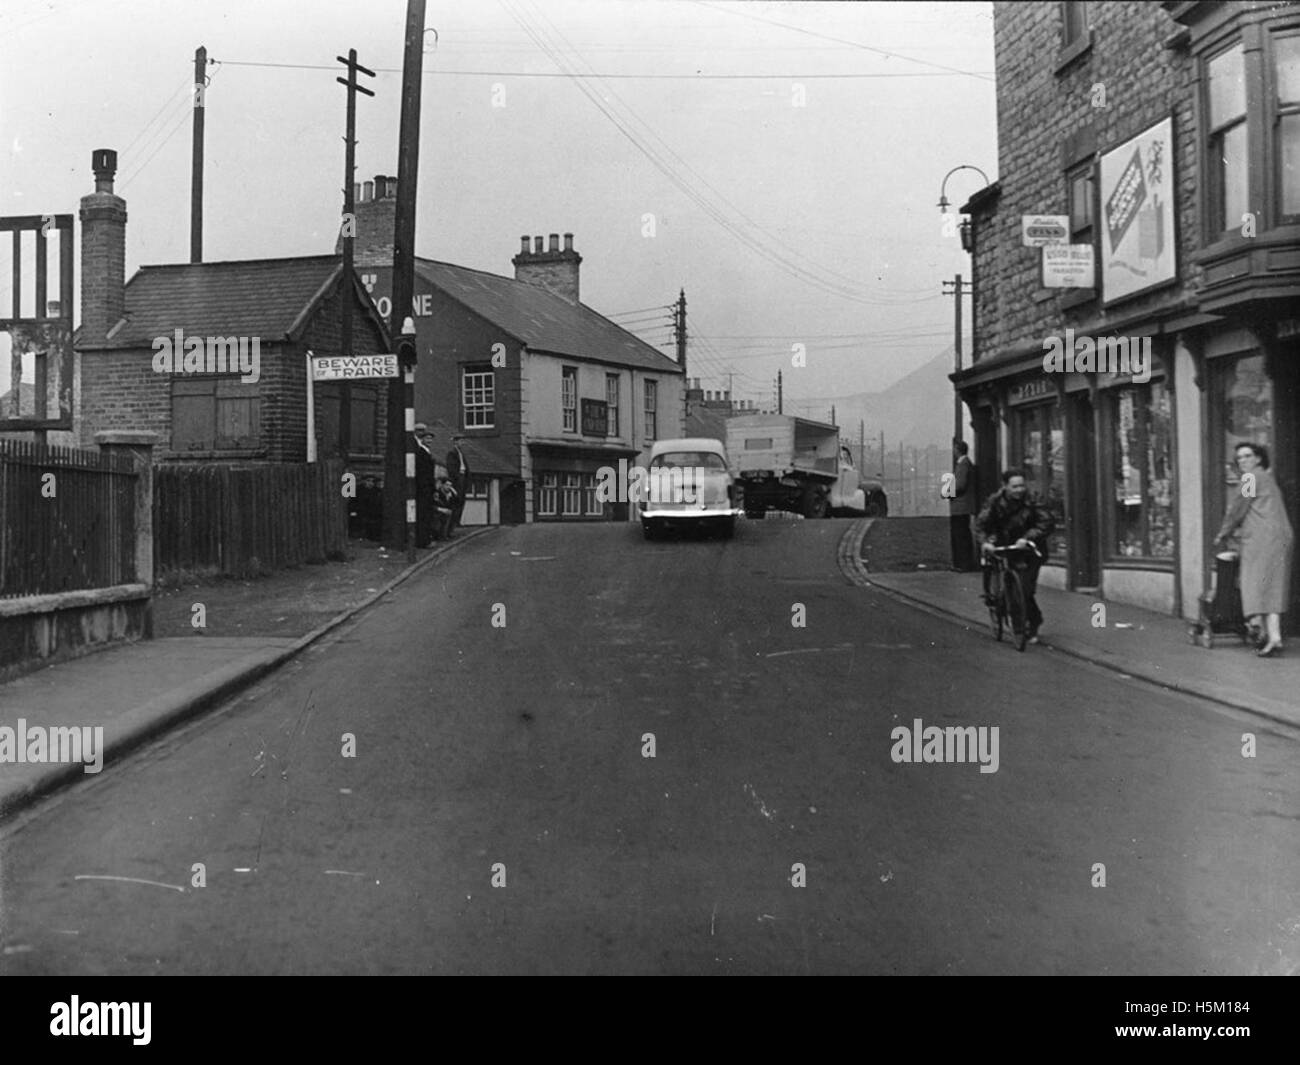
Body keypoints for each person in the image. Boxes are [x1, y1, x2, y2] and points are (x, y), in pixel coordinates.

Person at [1213, 442, 1294, 657]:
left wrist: (1223, 532)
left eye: (1247, 456)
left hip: (1262, 539)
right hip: (1280, 537)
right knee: (1272, 586)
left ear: (1258, 458)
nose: (1242, 461)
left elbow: (1238, 508)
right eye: (1239, 458)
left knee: (1256, 585)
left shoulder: (1249, 478)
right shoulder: (1267, 477)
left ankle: (1264, 632)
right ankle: (1273, 636)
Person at [976, 468, 1055, 643]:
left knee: (1025, 589)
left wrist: (1027, 538)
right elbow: (981, 524)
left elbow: (1046, 521)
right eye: (1014, 486)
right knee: (1011, 589)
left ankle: (1033, 621)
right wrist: (986, 542)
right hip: (1006, 547)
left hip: (1030, 550)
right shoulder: (994, 502)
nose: (1019, 490)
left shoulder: (1033, 499)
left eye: (1021, 486)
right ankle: (1019, 629)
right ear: (1005, 486)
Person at [949, 440, 978, 571]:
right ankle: (963, 563)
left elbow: (960, 485)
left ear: (957, 450)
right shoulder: (965, 463)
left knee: (960, 535)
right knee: (962, 534)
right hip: (962, 506)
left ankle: (963, 564)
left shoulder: (962, 464)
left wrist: (947, 492)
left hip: (960, 506)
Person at [413, 423, 439, 547]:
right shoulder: (421, 453)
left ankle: (426, 539)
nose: (429, 441)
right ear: (422, 440)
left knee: (427, 515)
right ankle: (423, 541)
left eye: (431, 439)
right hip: (423, 489)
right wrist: (428, 488)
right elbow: (424, 473)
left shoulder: (427, 452)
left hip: (427, 488)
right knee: (423, 515)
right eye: (427, 438)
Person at [446, 434, 470, 533]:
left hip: (463, 478)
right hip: (457, 480)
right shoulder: (452, 453)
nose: (462, 443)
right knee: (456, 503)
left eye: (462, 441)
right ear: (455, 442)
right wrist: (457, 479)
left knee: (461, 503)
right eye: (460, 441)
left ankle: (456, 524)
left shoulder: (461, 453)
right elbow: (452, 469)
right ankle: (450, 528)